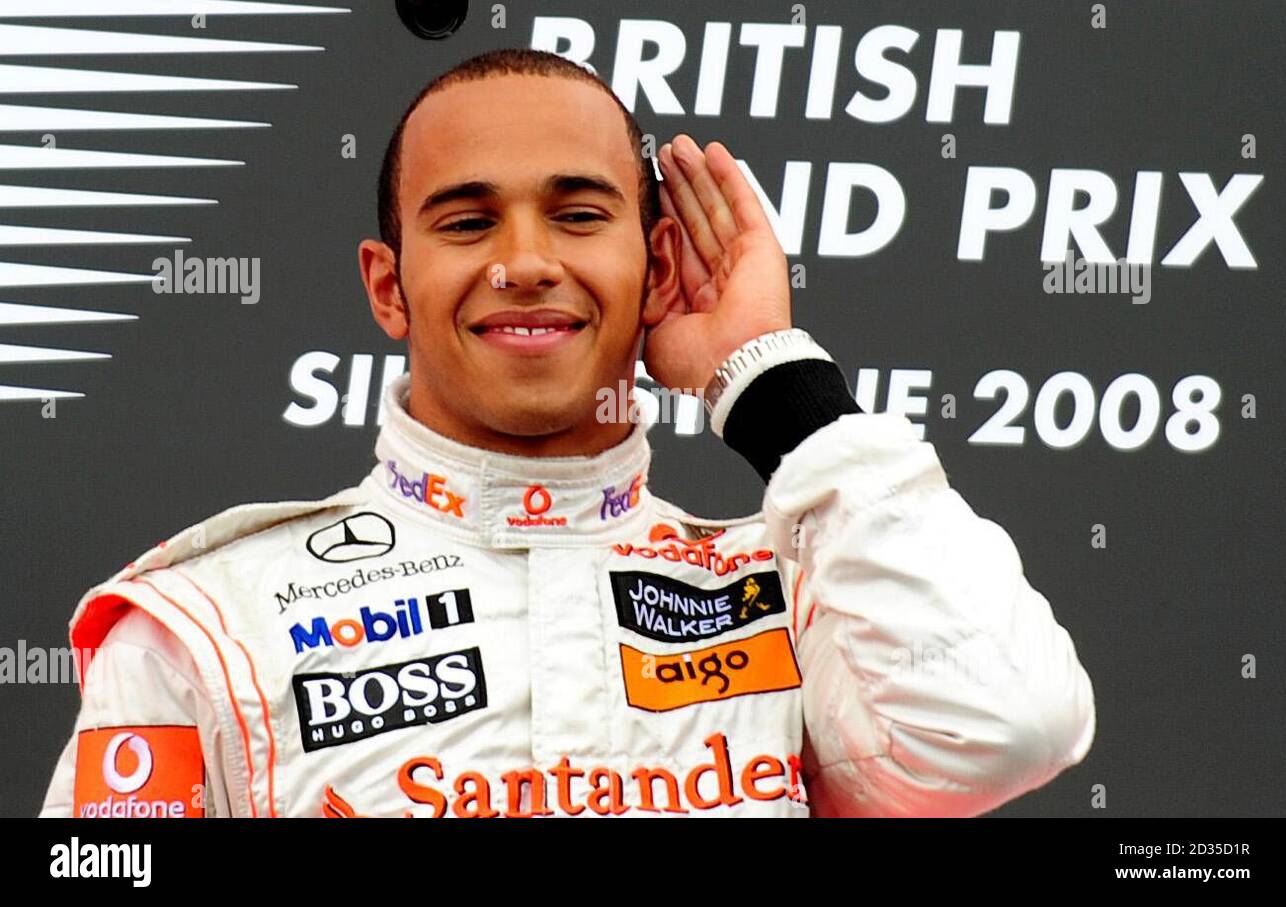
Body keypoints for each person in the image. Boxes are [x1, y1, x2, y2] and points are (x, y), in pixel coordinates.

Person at [40, 48, 1094, 819]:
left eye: (580, 214)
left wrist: (771, 383)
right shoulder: (198, 626)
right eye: (466, 221)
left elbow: (1007, 730)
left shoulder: (792, 589)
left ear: (657, 263)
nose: (525, 262)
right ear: (386, 287)